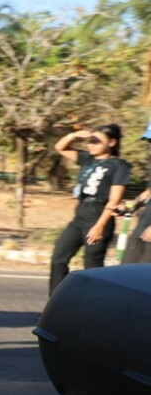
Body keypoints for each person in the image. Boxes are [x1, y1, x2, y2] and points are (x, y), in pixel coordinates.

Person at [50, 124, 130, 293]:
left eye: (96, 141)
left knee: (92, 267)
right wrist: (74, 135)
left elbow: (115, 199)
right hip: (80, 215)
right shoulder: (87, 159)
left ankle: (95, 305)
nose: (91, 145)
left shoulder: (119, 165)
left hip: (99, 215)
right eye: (90, 141)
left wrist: (99, 226)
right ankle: (56, 302)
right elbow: (60, 147)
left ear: (112, 142)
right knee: (58, 258)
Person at [121, 125, 151, 264]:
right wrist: (130, 207)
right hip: (142, 227)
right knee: (126, 271)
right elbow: (148, 193)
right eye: (149, 141)